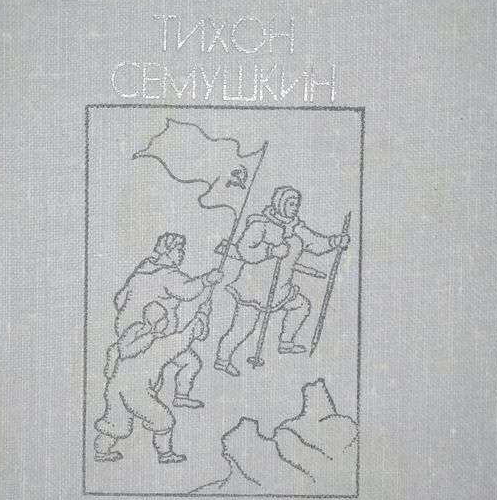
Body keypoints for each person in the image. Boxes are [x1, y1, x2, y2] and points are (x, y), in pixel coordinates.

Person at [214, 186, 348, 376]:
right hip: (254, 288)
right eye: (291, 204)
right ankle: (222, 360)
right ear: (280, 203)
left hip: (280, 289)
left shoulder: (296, 228)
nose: (295, 208)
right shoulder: (261, 224)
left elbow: (315, 243)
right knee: (243, 328)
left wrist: (335, 242)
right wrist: (270, 251)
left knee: (301, 306)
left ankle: (286, 342)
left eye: (297, 204)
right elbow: (245, 250)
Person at [112, 232, 219, 407]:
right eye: (179, 250)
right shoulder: (169, 275)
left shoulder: (143, 268)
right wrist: (207, 280)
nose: (182, 254)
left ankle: (172, 397)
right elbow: (188, 292)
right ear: (168, 252)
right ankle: (172, 398)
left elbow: (119, 300)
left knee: (180, 363)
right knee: (187, 363)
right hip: (155, 336)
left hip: (128, 331)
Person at [93, 303, 208, 464]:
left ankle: (101, 452)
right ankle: (165, 454)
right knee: (163, 419)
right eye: (164, 318)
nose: (167, 321)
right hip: (137, 392)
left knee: (114, 424)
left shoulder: (132, 336)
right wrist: (200, 317)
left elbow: (114, 355)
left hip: (115, 387)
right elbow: (183, 340)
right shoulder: (157, 344)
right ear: (158, 322)